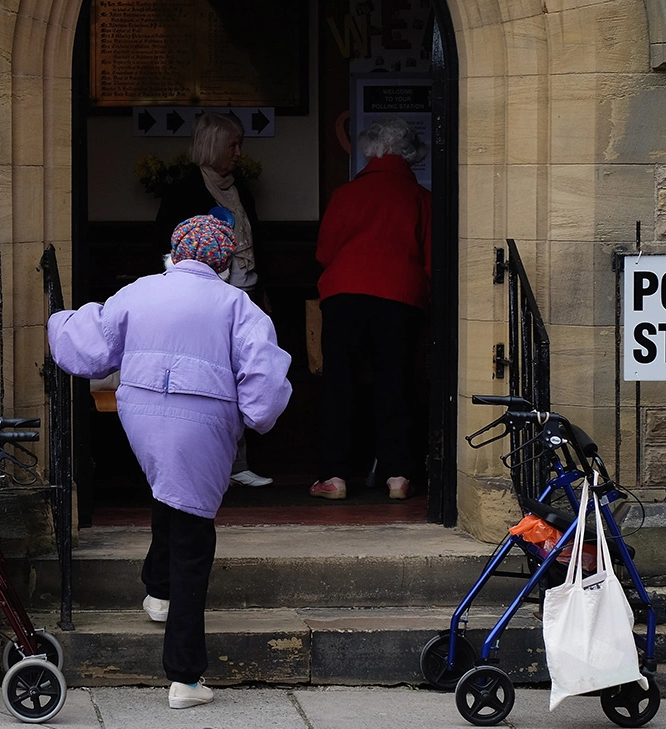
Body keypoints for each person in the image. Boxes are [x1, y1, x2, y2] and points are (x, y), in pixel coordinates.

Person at [47, 214, 292, 709]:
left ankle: (157, 592)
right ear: (223, 262)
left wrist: (57, 319)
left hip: (141, 415)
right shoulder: (237, 305)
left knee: (170, 493)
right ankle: (186, 677)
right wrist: (253, 417)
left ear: (175, 253)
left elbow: (91, 346)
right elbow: (264, 386)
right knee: (194, 541)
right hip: (203, 421)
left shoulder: (140, 291)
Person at [311, 115, 432, 502]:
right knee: (395, 384)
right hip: (399, 297)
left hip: (344, 295)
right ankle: (398, 476)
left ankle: (335, 476)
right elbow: (431, 262)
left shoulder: (345, 194)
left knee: (339, 385)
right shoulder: (420, 198)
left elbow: (324, 253)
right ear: (409, 154)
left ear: (371, 152)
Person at [155, 111, 274, 489]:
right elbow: (166, 248)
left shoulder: (240, 189)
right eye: (232, 145)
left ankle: (237, 464)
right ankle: (211, 466)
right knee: (210, 381)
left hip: (246, 294)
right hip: (206, 301)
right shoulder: (185, 190)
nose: (238, 152)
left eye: (240, 144)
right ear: (211, 146)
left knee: (245, 377)